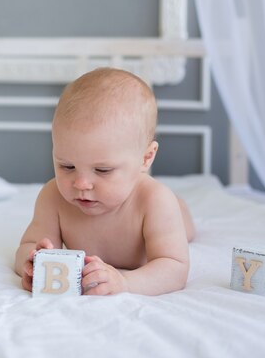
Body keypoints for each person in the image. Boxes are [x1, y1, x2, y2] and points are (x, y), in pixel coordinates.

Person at [14, 67, 195, 296]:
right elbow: (26, 247)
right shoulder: (53, 197)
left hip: (166, 212)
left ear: (146, 158)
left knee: (180, 221)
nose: (81, 183)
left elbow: (174, 268)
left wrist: (125, 282)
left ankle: (181, 209)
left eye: (102, 170)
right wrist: (31, 263)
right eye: (67, 166)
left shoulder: (154, 202)